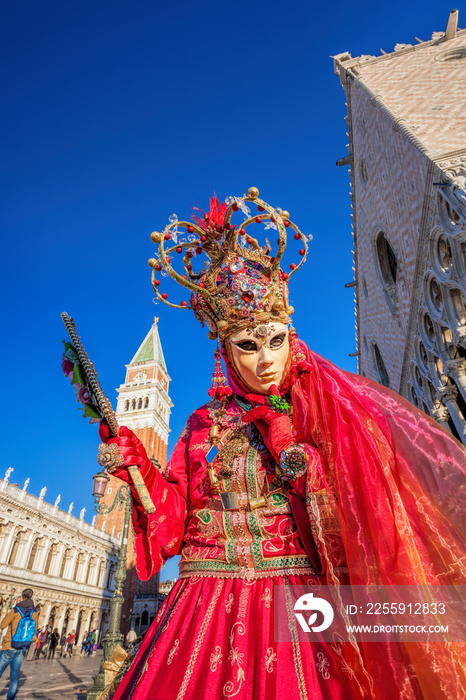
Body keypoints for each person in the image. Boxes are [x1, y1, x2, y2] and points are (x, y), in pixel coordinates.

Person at [95, 191, 465, 699]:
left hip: (299, 601)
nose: (266, 359)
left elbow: (363, 503)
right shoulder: (203, 423)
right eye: (247, 344)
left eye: (275, 339)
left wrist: (307, 465)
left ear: (291, 334)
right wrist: (136, 462)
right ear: (226, 350)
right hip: (202, 606)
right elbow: (173, 516)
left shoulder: (318, 404)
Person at [0, 588, 38, 700]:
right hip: (22, 647)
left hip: (9, 646)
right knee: (15, 677)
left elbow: (2, 625)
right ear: (31, 598)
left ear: (21, 597)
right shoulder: (34, 612)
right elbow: (34, 632)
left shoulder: (16, 610)